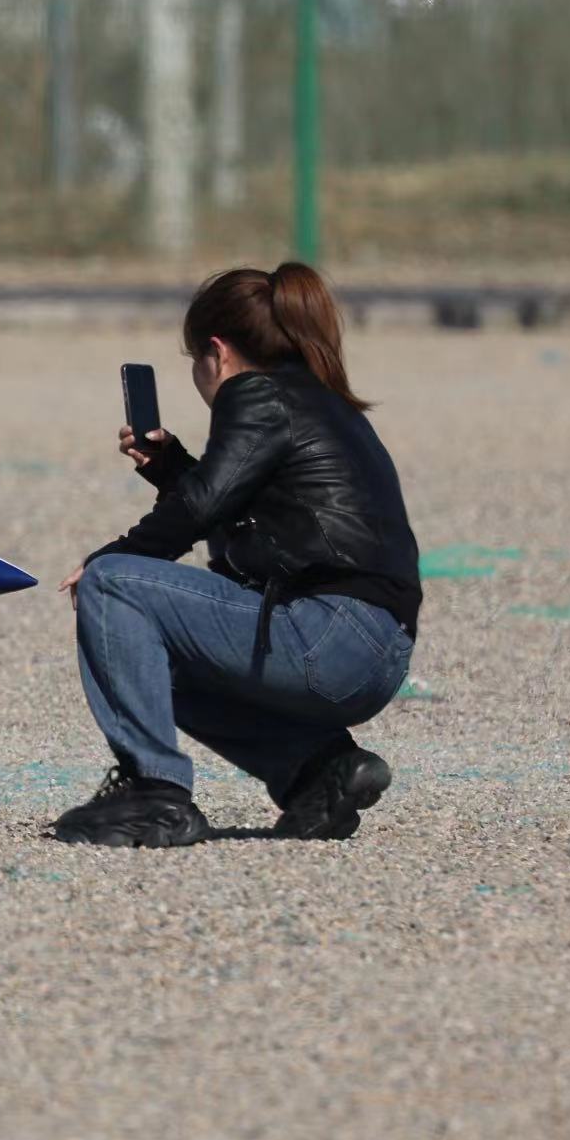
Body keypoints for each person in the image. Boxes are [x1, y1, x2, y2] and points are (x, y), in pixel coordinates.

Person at [53, 262, 421, 848]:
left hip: (329, 638)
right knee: (150, 654)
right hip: (372, 650)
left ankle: (155, 796)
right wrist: (172, 468)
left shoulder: (256, 392)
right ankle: (320, 772)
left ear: (216, 353)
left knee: (113, 584)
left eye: (194, 362)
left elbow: (203, 508)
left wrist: (110, 560)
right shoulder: (319, 401)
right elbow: (240, 508)